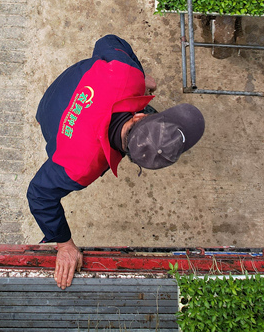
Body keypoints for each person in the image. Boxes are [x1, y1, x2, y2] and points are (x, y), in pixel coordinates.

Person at [27, 35, 205, 289]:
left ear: (139, 116)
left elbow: (107, 42)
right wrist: (64, 244)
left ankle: (43, 118)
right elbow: (38, 194)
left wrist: (140, 78)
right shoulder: (81, 167)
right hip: (53, 109)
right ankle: (44, 119)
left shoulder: (125, 73)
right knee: (51, 125)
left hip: (53, 100)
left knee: (49, 119)